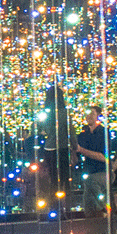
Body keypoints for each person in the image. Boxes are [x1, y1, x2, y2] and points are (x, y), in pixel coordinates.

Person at [39, 85, 71, 216]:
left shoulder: (45, 113)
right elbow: (70, 132)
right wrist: (74, 148)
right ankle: (62, 208)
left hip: (49, 148)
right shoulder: (64, 113)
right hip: (62, 148)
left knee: (52, 179)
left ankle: (53, 208)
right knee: (63, 179)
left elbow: (43, 130)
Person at [75, 106, 109, 216]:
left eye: (92, 114)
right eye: (87, 113)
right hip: (89, 174)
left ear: (98, 116)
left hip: (103, 172)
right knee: (88, 207)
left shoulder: (103, 133)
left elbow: (104, 157)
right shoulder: (83, 135)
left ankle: (104, 207)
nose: (89, 116)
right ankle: (96, 219)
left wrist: (81, 150)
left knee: (90, 181)